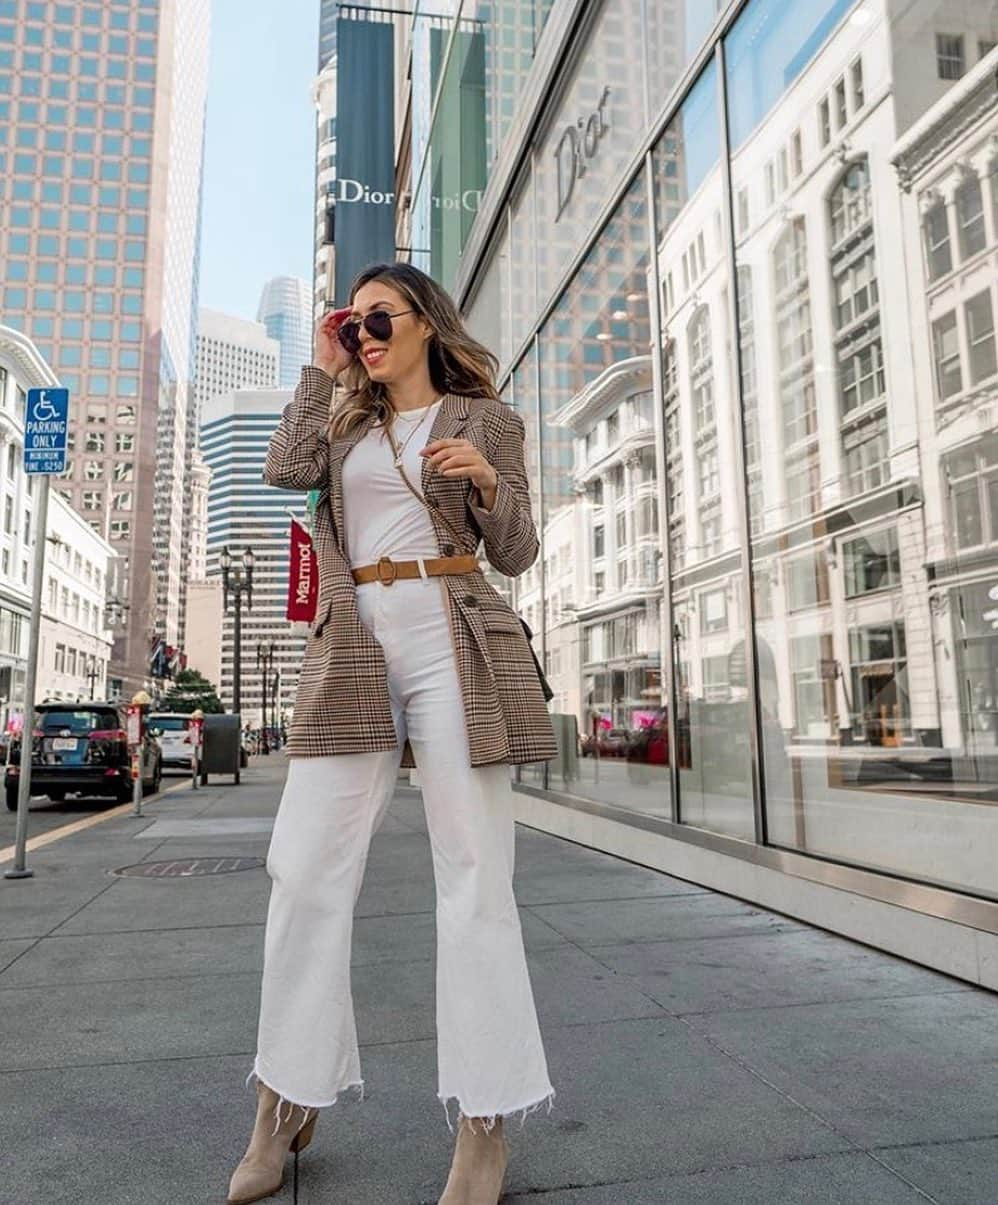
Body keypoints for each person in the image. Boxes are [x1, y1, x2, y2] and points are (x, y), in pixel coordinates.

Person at [228, 263, 558, 1205]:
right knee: (301, 868)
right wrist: (322, 369)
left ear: (425, 323)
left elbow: (519, 552)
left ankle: (485, 1124)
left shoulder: (485, 419)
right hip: (355, 646)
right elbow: (283, 469)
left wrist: (490, 482)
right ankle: (285, 1096)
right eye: (352, 319)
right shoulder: (343, 420)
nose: (365, 332)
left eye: (379, 318)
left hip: (455, 637)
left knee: (475, 878)